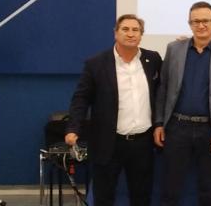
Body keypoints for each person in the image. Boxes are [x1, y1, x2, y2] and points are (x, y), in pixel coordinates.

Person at [65, 14, 163, 206]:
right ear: (115, 33)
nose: (130, 34)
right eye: (125, 29)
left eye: (135, 30)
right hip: (108, 143)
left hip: (142, 143)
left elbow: (163, 91)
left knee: (142, 197)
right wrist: (73, 128)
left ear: (141, 35)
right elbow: (81, 99)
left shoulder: (153, 59)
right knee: (103, 197)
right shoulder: (96, 63)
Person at [153, 1, 211, 206]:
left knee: (209, 191)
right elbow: (163, 88)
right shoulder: (174, 49)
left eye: (206, 21)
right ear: (189, 23)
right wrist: (159, 123)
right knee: (170, 190)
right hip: (177, 128)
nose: (201, 25)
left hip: (210, 130)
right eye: (196, 21)